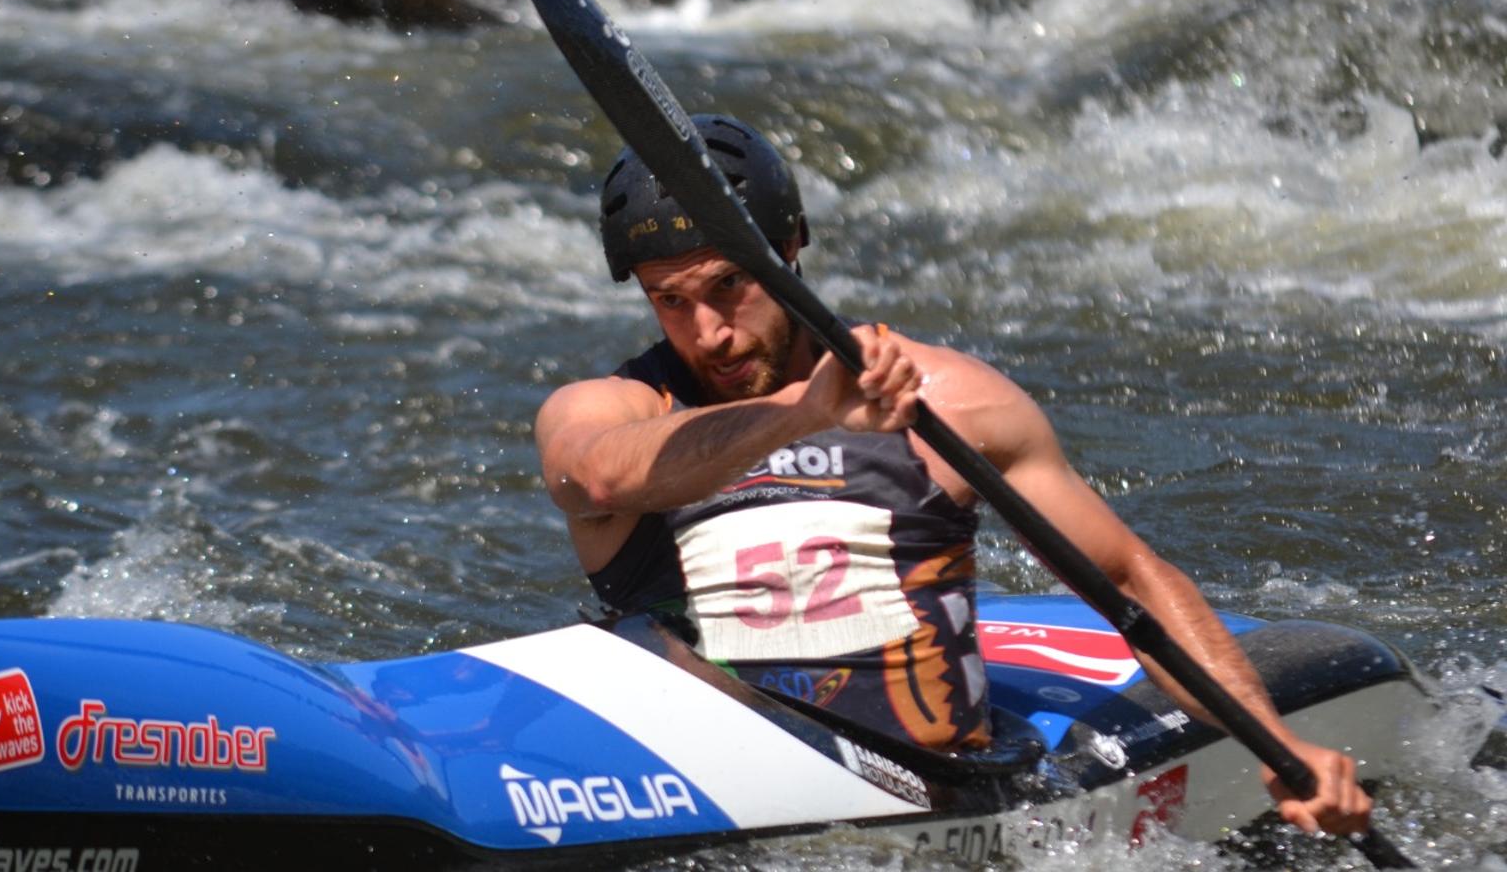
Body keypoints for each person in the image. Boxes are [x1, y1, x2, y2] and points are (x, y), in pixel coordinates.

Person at [533, 114, 1372, 836]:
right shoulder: (614, 412)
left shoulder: (950, 402)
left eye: (729, 285)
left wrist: (1276, 747)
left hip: (936, 794)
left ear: (790, 248)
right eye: (669, 301)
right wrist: (805, 413)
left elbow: (1128, 581)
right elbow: (597, 478)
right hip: (701, 779)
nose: (707, 332)